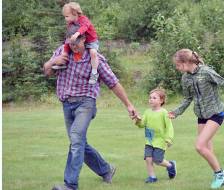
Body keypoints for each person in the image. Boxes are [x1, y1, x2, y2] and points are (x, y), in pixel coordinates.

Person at [43, 24, 137, 190]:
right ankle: (106, 170)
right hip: (66, 104)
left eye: (76, 44)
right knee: (78, 142)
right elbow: (47, 72)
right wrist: (52, 62)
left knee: (76, 140)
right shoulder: (62, 52)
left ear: (84, 39)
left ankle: (70, 185)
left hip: (86, 103)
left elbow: (113, 83)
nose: (73, 48)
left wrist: (128, 104)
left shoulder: (95, 59)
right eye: (70, 44)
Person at [169, 49, 224, 189]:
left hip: (215, 114)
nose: (177, 68)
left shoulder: (206, 72)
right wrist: (175, 113)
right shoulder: (185, 78)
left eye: (178, 65)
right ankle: (221, 179)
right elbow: (188, 99)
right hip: (201, 116)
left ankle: (220, 174)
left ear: (186, 62)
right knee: (207, 149)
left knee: (199, 146)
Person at [134, 88, 176, 183]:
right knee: (148, 159)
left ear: (161, 101)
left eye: (154, 98)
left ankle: (170, 165)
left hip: (160, 141)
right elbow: (142, 125)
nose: (151, 99)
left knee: (158, 160)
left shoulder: (164, 113)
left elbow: (169, 127)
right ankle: (152, 177)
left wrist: (169, 139)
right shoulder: (147, 112)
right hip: (149, 140)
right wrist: (138, 120)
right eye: (150, 98)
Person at [52, 2, 100, 85]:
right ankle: (63, 63)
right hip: (77, 40)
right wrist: (67, 42)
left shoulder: (84, 19)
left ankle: (94, 73)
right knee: (66, 47)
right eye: (65, 16)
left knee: (93, 53)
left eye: (67, 16)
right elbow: (69, 34)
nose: (65, 18)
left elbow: (84, 27)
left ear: (74, 14)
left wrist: (77, 34)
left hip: (90, 40)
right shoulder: (70, 23)